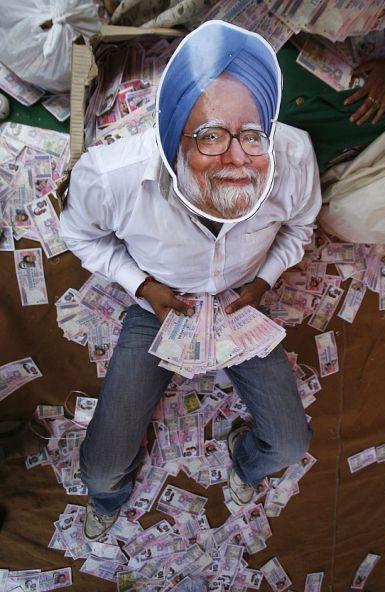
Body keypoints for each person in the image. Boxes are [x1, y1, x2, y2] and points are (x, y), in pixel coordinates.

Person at [60, 20, 321, 541]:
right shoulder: (111, 177)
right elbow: (80, 235)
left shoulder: (290, 157)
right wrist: (141, 286)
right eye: (209, 136)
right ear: (173, 129)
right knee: (100, 469)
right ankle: (112, 495)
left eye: (251, 135)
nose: (236, 161)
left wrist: (264, 281)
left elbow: (301, 226)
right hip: (159, 300)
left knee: (290, 445)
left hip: (239, 302)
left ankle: (243, 460)